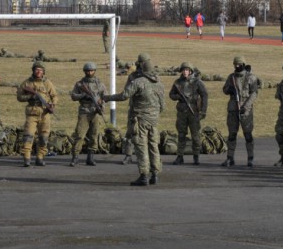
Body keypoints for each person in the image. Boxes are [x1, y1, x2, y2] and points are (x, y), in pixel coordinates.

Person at [103, 53, 165, 186]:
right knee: (154, 146)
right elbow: (163, 105)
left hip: (140, 119)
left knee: (141, 146)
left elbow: (124, 95)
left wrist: (108, 98)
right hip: (154, 120)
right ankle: (155, 174)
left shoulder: (138, 82)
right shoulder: (159, 83)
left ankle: (144, 175)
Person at [16, 62, 58, 167]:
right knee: (28, 136)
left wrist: (52, 105)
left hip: (45, 113)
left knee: (44, 137)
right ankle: (26, 158)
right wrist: (30, 97)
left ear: (43, 71)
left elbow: (55, 96)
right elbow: (20, 97)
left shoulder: (47, 83)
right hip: (32, 113)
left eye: (40, 70)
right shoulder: (27, 83)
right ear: (33, 71)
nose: (38, 72)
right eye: (36, 70)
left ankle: (40, 157)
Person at [222, 56, 259, 167]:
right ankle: (230, 158)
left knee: (248, 135)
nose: (237, 66)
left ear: (243, 64)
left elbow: (254, 93)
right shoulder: (231, 77)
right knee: (232, 135)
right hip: (233, 109)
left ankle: (250, 158)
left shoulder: (251, 77)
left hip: (245, 111)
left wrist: (246, 106)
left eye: (239, 64)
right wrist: (230, 90)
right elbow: (224, 89)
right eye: (235, 65)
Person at [169, 62, 208, 165]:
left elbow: (204, 95)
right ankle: (180, 156)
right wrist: (178, 97)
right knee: (181, 135)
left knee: (195, 135)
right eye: (183, 70)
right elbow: (171, 94)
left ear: (190, 71)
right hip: (182, 112)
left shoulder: (197, 82)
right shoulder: (178, 82)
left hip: (194, 112)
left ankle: (196, 156)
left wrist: (203, 111)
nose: (185, 72)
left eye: (186, 70)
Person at [70, 62, 107, 166]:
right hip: (84, 112)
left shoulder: (99, 84)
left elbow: (105, 97)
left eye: (91, 71)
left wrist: (101, 108)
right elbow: (73, 96)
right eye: (87, 71)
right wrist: (82, 96)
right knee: (80, 135)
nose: (90, 72)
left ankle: (90, 157)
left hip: (95, 112)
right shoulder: (80, 84)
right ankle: (75, 157)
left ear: (95, 71)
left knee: (94, 135)